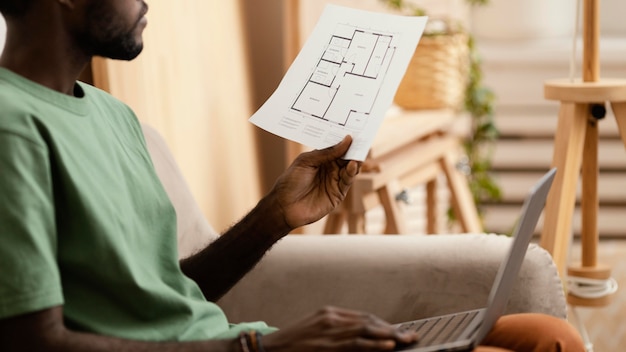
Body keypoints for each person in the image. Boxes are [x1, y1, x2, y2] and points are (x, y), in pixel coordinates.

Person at [0, 1, 585, 351]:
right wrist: (259, 345)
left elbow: (163, 295)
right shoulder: (12, 127)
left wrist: (274, 217)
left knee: (540, 334)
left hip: (245, 344)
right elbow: (34, 343)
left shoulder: (112, 115)